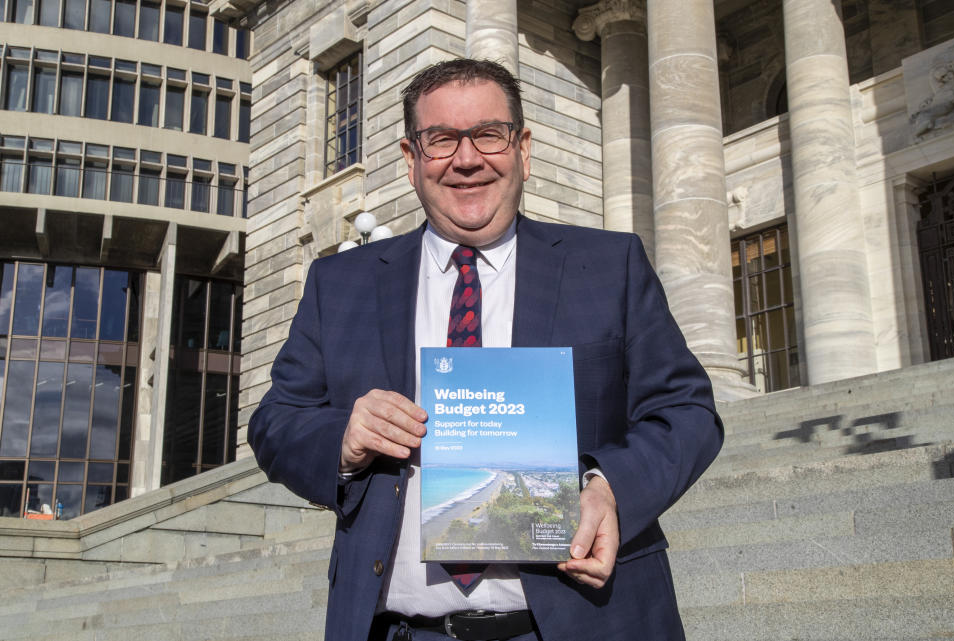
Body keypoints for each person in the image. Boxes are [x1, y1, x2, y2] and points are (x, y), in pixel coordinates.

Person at [248, 58, 723, 641]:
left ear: (522, 148)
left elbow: (687, 411)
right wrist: (342, 440)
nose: (467, 159)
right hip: (399, 630)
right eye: (441, 139)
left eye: (488, 135)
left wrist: (612, 488)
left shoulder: (608, 266)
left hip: (582, 623)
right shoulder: (339, 284)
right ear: (410, 160)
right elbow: (275, 422)